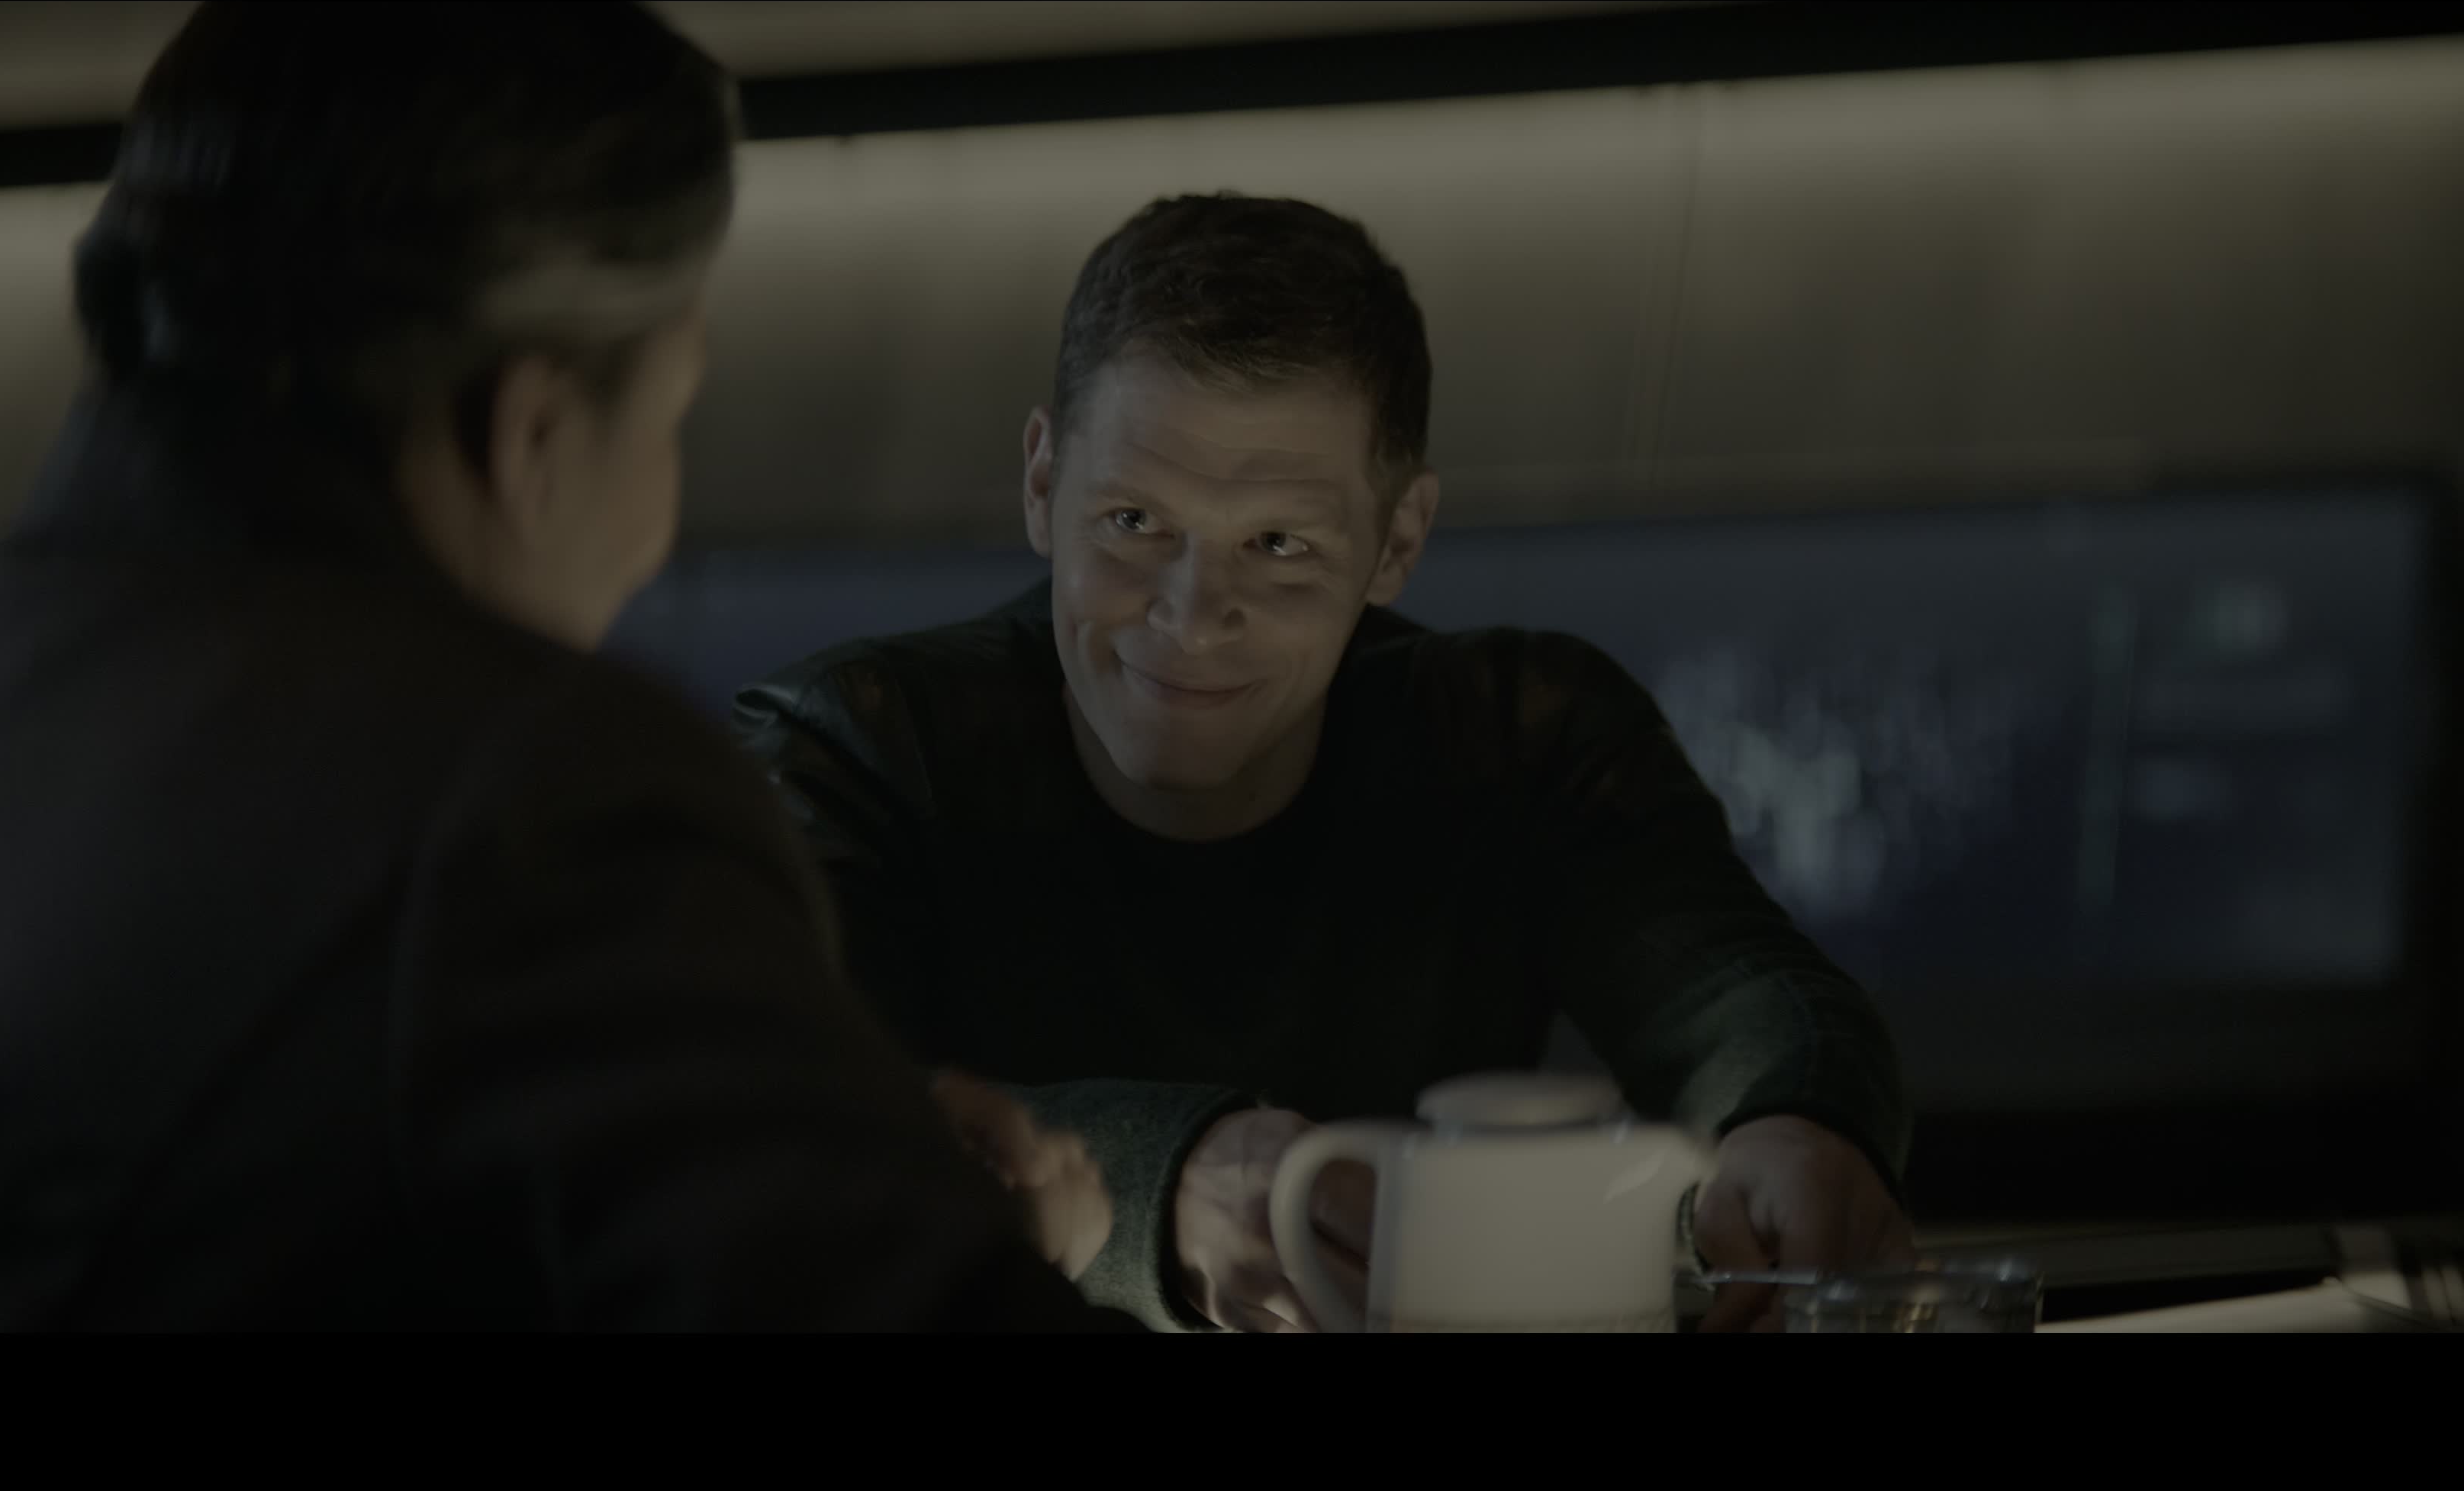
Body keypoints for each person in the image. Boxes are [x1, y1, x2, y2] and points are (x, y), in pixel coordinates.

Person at [0, 3, 1122, 1332]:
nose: (658, 521)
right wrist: (961, 1254)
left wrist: (788, 1140)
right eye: (672, 418)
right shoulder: (524, 781)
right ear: (531, 430)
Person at [736, 193, 1916, 1334]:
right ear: (1044, 485)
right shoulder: (853, 750)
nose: (1191, 616)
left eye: (1278, 543)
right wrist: (1160, 1183)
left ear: (1397, 540)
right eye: (1134, 523)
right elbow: (774, 1129)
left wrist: (1796, 1123)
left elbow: (1739, 993)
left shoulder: (1518, 737)